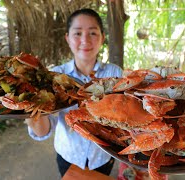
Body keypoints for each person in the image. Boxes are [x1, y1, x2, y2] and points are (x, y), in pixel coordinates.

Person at [25, 8, 122, 178]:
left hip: (103, 156)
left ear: (102, 38)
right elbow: (43, 131)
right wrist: (34, 113)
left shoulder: (115, 74)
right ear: (67, 38)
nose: (85, 40)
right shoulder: (54, 76)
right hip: (68, 155)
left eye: (92, 33)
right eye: (77, 33)